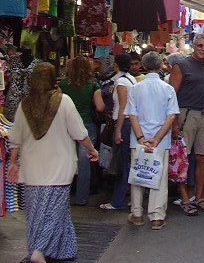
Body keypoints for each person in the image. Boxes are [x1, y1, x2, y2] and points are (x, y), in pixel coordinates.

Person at [7, 63, 98, 263]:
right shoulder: (63, 101)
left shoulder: (25, 105)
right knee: (54, 212)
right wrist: (91, 150)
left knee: (37, 213)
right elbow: (79, 132)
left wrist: (12, 162)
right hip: (59, 168)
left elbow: (15, 139)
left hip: (32, 170)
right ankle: (38, 251)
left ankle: (63, 249)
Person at [126, 51, 179, 229]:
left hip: (138, 140)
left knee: (138, 174)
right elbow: (171, 116)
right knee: (159, 176)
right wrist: (157, 139)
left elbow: (131, 115)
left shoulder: (135, 88)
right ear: (160, 66)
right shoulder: (168, 89)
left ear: (144, 66)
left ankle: (137, 213)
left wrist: (141, 137)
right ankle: (156, 215)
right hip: (160, 141)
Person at [169, 34, 204, 212]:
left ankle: (198, 196)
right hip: (186, 113)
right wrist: (174, 123)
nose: (203, 49)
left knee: (203, 157)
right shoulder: (181, 65)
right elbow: (171, 95)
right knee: (183, 158)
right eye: (200, 45)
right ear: (194, 45)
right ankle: (184, 198)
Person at [59, 56, 105, 206]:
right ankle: (81, 198)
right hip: (86, 125)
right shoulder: (93, 84)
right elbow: (100, 107)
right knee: (84, 162)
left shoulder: (64, 84)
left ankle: (63, 196)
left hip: (66, 125)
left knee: (66, 159)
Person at [100, 53, 136, 211]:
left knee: (120, 163)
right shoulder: (130, 79)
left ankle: (117, 200)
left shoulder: (121, 82)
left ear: (116, 65)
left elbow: (123, 107)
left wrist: (118, 130)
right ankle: (128, 197)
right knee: (125, 162)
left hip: (123, 122)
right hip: (128, 123)